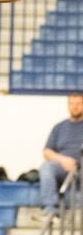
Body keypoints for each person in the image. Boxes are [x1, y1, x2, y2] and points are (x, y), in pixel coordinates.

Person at [32, 92, 83, 224]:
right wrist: (63, 160)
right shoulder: (59, 127)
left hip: (81, 168)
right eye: (72, 104)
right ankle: (50, 210)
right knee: (47, 166)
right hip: (63, 167)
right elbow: (47, 151)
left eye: (78, 104)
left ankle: (66, 201)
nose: (75, 107)